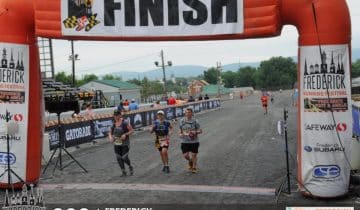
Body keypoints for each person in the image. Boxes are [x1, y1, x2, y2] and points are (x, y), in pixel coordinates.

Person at [108, 110, 134, 177]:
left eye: (117, 115)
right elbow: (110, 132)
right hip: (117, 143)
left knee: (124, 157)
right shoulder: (113, 124)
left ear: (120, 115)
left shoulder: (125, 123)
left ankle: (130, 166)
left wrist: (125, 134)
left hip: (125, 143)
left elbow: (132, 130)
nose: (116, 116)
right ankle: (123, 171)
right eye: (115, 115)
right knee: (119, 157)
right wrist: (110, 137)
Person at [179, 107, 202, 173]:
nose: (188, 114)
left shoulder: (195, 121)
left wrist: (196, 132)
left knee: (194, 155)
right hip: (184, 141)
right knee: (185, 155)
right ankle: (190, 161)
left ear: (192, 113)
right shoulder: (182, 121)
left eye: (189, 112)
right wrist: (180, 134)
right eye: (186, 112)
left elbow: (200, 130)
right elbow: (180, 130)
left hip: (194, 141)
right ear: (185, 113)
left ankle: (194, 167)